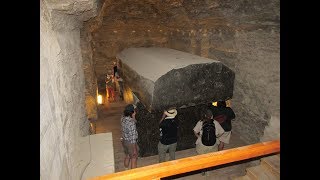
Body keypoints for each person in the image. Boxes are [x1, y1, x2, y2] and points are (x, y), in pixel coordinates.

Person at [193, 109, 226, 175]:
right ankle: (208, 169)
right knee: (210, 158)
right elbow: (222, 132)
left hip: (202, 144)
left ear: (205, 115)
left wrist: (199, 137)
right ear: (212, 116)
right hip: (213, 144)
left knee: (201, 158)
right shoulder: (215, 122)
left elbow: (195, 131)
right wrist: (216, 137)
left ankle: (203, 169)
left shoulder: (200, 122)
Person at [121, 104, 139, 169]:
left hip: (124, 141)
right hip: (130, 143)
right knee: (134, 158)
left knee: (127, 155)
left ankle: (126, 168)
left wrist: (133, 116)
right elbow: (133, 138)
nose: (135, 112)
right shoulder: (131, 124)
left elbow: (135, 121)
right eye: (134, 110)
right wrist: (134, 149)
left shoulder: (123, 118)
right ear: (132, 112)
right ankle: (133, 175)